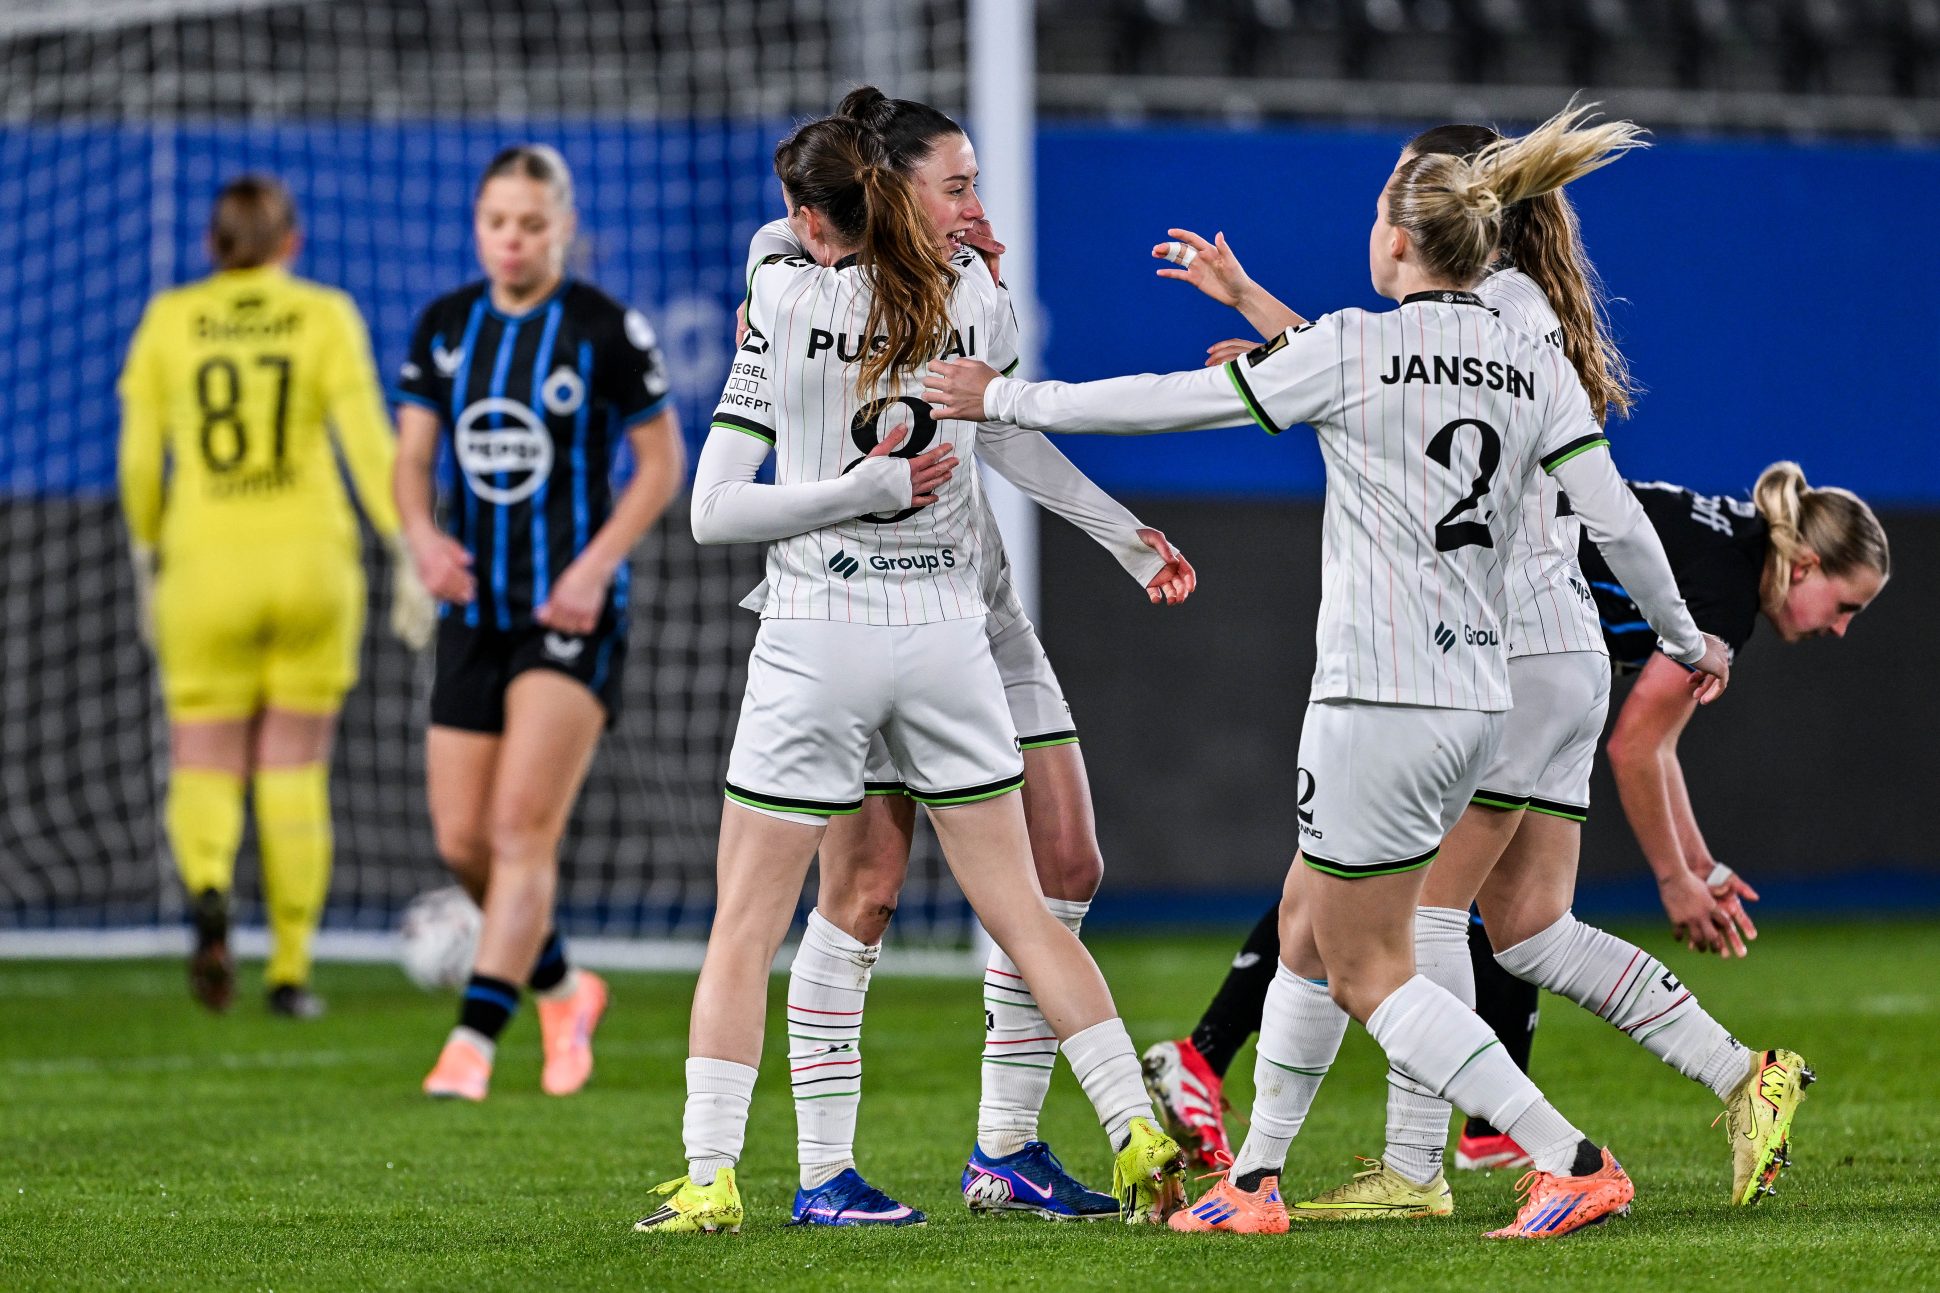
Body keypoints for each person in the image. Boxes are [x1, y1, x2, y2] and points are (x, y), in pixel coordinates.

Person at [925, 102, 1733, 1239]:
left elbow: (1169, 404)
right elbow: (1619, 523)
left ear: (1397, 238)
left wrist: (1004, 396)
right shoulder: (1527, 360)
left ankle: (1569, 1159)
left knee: (1366, 969)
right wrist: (1684, 636)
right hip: (1478, 699)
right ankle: (1253, 1180)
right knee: (1307, 925)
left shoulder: (1354, 345)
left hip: (1377, 700)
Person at [1140, 123, 1872, 1217]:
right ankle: (1740, 1074)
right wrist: (1258, 315)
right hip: (1553, 649)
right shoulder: (1516, 308)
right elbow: (1385, 379)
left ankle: (1417, 1169)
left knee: (1410, 921)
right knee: (1525, 927)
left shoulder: (1491, 311)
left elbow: (1392, 382)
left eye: (1406, 183)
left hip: (1505, 648)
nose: (1396, 204)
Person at [633, 113, 1186, 1237]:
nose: (973, 204)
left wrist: (856, 484)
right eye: (957, 184)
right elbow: (999, 408)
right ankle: (1131, 1124)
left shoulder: (779, 299)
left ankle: (714, 1175)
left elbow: (715, 505)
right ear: (895, 192)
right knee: (998, 905)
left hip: (821, 631)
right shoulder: (976, 297)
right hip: (942, 635)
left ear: (810, 217)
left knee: (747, 922)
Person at [394, 145, 685, 1101]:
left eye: (530, 223)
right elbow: (411, 460)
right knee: (462, 842)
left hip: (569, 614)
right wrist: (423, 540)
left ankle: (472, 1041)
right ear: (477, 227)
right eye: (496, 222)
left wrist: (594, 568)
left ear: (563, 226)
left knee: (521, 828)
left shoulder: (602, 328)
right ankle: (563, 987)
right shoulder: (446, 326)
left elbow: (660, 464)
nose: (511, 240)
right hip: (472, 609)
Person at [119, 175, 432, 1018]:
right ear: (291, 243)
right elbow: (368, 443)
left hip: (204, 566)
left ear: (212, 245)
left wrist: (147, 552)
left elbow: (140, 460)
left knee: (204, 757)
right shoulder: (323, 314)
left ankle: (209, 884)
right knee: (295, 766)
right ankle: (290, 970)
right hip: (310, 565)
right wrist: (406, 546)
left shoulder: (170, 320)